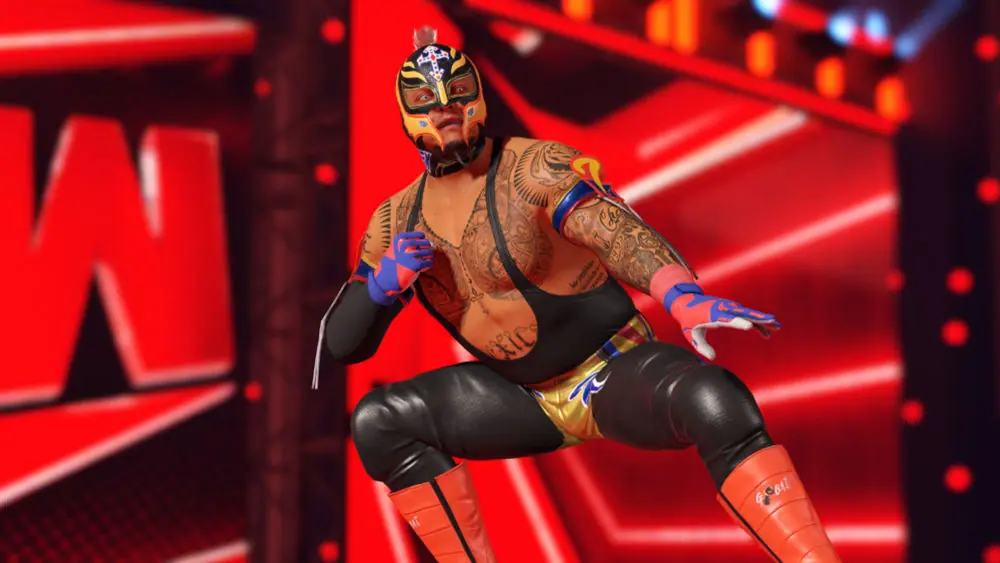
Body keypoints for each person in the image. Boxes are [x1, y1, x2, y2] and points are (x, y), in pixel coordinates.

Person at [318, 26, 842, 563]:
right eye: (427, 99)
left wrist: (682, 296)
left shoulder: (534, 168)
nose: (445, 109)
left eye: (456, 93)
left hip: (611, 368)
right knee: (378, 421)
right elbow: (342, 342)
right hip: (519, 396)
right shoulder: (394, 221)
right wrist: (381, 286)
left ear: (477, 96)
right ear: (406, 110)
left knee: (715, 400)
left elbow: (614, 231)